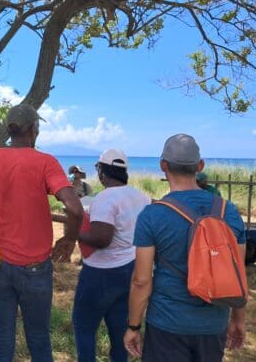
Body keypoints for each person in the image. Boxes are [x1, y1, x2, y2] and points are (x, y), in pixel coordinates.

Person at [0, 103, 83, 362]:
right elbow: (75, 208)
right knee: (39, 339)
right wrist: (70, 239)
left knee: (1, 340)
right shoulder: (46, 162)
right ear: (33, 130)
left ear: (10, 130)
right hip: (36, 267)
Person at [124, 134, 247, 361]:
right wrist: (238, 320)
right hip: (213, 324)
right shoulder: (228, 211)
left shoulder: (152, 215)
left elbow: (141, 281)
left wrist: (133, 326)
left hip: (166, 324)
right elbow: (238, 273)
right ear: (200, 166)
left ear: (163, 166)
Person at [72, 149, 151, 362]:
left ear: (102, 172)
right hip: (130, 268)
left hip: (100, 273)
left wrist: (75, 233)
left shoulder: (105, 198)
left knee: (84, 326)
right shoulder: (141, 196)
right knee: (119, 331)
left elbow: (102, 239)